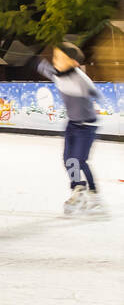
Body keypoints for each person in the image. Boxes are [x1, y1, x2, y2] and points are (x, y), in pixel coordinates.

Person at [37, 42, 106, 216]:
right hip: (72, 124)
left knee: (80, 160)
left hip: (87, 126)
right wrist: (35, 62)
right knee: (68, 159)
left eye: (61, 58)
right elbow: (45, 69)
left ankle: (94, 196)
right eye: (55, 57)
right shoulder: (57, 74)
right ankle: (79, 189)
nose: (56, 61)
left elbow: (95, 92)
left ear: (74, 63)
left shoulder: (80, 79)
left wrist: (94, 97)